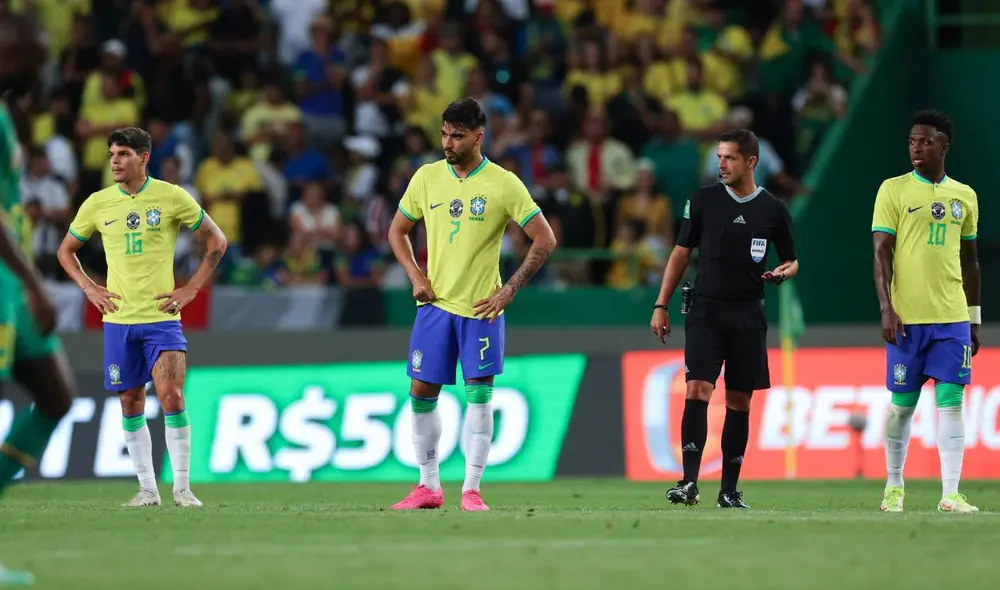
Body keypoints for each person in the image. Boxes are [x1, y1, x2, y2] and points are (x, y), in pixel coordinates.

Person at [387, 97, 557, 511]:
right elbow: (398, 231)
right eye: (444, 133)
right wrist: (416, 276)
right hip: (435, 306)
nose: (447, 142)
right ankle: (428, 486)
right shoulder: (427, 178)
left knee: (479, 394)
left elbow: (545, 239)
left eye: (457, 135)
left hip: (482, 308)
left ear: (479, 137)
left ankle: (471, 490)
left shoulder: (503, 182)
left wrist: (509, 289)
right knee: (421, 391)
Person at [56, 127, 228, 508]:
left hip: (161, 318)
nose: (115, 161)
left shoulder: (170, 196)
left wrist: (191, 289)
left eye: (123, 154)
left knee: (172, 395)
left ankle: (182, 489)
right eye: (112, 154)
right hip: (118, 321)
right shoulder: (97, 203)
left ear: (143, 158)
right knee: (131, 401)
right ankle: (148, 489)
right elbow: (66, 251)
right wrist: (89, 287)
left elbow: (217, 240)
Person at [649, 129, 798, 509]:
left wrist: (783, 272)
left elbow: (792, 259)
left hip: (748, 313)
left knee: (738, 401)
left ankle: (729, 491)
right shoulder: (703, 200)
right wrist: (660, 304)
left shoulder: (773, 209)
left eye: (729, 158)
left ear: (751, 162)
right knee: (697, 389)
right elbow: (681, 254)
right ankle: (689, 482)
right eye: (719, 157)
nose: (721, 164)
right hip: (706, 310)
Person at [872, 110, 980, 514]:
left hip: (952, 317)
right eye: (912, 141)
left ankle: (950, 493)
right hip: (907, 319)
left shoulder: (964, 196)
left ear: (944, 145)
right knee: (902, 407)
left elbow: (971, 261)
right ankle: (894, 486)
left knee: (952, 402)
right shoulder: (893, 190)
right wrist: (886, 308)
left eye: (925, 141)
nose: (917, 147)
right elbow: (880, 253)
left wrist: (974, 318)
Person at [0, 11, 74, 585]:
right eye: (32, 53)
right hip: (7, 282)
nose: (39, 60)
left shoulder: (8, 113)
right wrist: (30, 283)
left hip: (10, 286)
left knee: (56, 396)